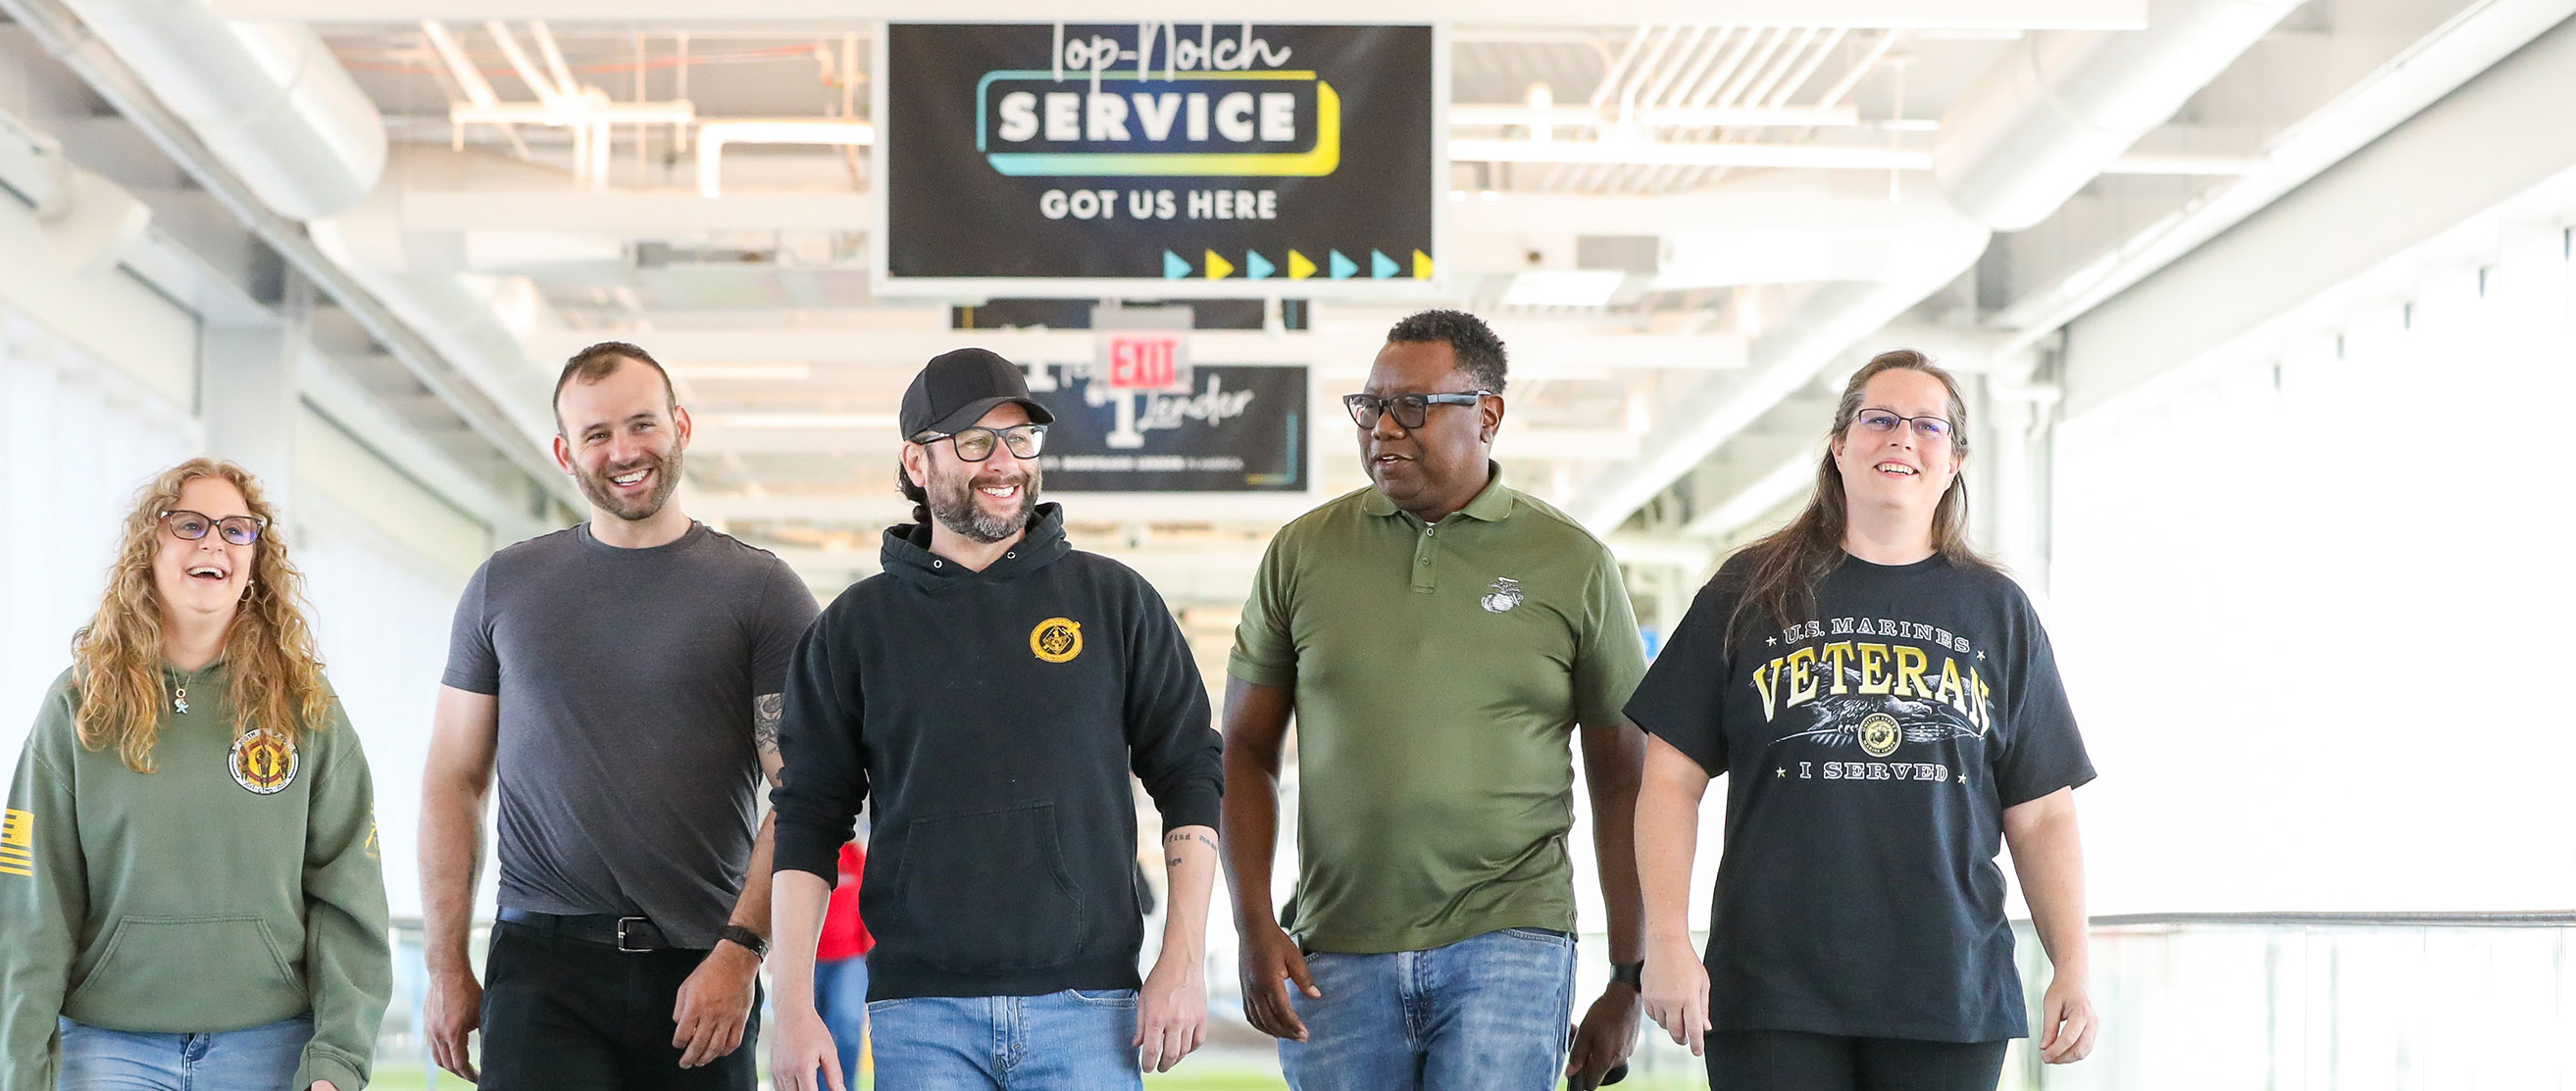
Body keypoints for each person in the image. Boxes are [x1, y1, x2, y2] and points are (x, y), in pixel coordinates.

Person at [1624, 350, 2098, 1091]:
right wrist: (1664, 939)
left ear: (1954, 461)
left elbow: (2039, 814)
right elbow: (1668, 780)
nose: (1900, 438)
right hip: (1772, 987)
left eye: (1926, 426)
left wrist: (2072, 962)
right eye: (1877, 419)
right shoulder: (1748, 590)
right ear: (1839, 445)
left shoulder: (1996, 612)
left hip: (1947, 989)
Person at [767, 347, 1227, 1091]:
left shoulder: (1114, 602)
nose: (1003, 461)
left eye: (1019, 437)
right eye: (974, 441)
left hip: (1089, 1005)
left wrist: (1182, 958)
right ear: (916, 463)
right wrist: (790, 1005)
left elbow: (1190, 776)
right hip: (921, 1015)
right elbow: (807, 817)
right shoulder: (855, 628)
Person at [1225, 309, 1650, 1091]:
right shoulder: (1301, 552)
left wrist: (1629, 973)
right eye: (1370, 405)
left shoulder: (1572, 562)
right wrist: (1254, 922)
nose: (1383, 427)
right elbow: (1244, 749)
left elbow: (1623, 778)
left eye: (1412, 406)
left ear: (1486, 416)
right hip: (1336, 950)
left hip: (1509, 941)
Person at [419, 341, 821, 1089]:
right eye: (597, 434)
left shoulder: (761, 590)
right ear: (565, 451)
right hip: (543, 970)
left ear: (682, 426)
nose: (623, 450)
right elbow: (452, 777)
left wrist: (741, 950)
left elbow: (803, 791)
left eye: (642, 424)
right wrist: (444, 965)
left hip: (703, 968)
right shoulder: (504, 586)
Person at [0, 459, 390, 1091]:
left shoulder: (305, 706)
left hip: (272, 1046)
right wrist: (21, 1075)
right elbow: (34, 908)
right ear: (150, 547)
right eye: (190, 524)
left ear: (256, 559)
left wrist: (337, 1059)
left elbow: (349, 893)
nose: (214, 542)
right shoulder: (79, 705)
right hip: (107, 1048)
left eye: (236, 529)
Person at [814, 836, 877, 1090]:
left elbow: (870, 903)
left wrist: (872, 957)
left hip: (851, 958)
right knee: (814, 1030)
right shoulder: (810, 852)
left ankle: (843, 1086)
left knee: (847, 1023)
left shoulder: (856, 857)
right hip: (812, 960)